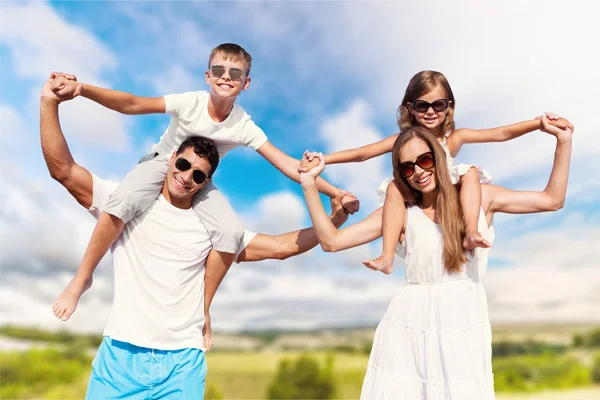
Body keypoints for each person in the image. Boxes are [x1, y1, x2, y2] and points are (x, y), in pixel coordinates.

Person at [40, 77, 348, 399]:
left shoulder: (214, 229)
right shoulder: (124, 203)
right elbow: (62, 169)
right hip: (120, 357)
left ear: (206, 183)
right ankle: (81, 279)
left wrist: (335, 219)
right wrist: (50, 102)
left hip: (182, 364)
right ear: (171, 159)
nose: (186, 177)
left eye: (197, 175)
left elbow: (281, 247)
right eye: (184, 165)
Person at [49, 43, 359, 321]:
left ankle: (204, 311)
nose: (226, 76)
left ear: (245, 83)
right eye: (218, 70)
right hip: (165, 161)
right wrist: (81, 89)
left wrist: (336, 192)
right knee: (125, 200)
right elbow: (132, 103)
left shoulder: (243, 124)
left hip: (201, 178)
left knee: (229, 232)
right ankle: (82, 278)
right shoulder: (190, 103)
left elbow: (290, 166)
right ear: (207, 76)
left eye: (235, 73)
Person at [299, 119, 573, 399]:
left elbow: (552, 200)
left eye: (425, 160)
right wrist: (309, 184)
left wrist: (563, 142)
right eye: (407, 167)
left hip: (464, 322)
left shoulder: (477, 198)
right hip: (412, 327)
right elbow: (332, 243)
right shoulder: (399, 212)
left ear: (438, 156)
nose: (418, 171)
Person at [300, 70, 572, 273]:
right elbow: (362, 153)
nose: (430, 111)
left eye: (438, 105)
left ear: (448, 106)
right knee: (395, 188)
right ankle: (386, 256)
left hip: (454, 188)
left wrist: (540, 124)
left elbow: (500, 134)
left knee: (470, 175)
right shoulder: (401, 152)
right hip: (414, 203)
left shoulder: (456, 139)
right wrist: (324, 161)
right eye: (422, 105)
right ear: (410, 108)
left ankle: (470, 229)